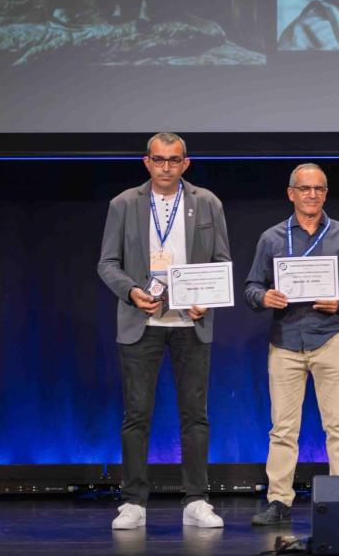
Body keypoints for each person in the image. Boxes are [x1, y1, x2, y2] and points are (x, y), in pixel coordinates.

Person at [96, 132, 229, 530]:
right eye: (159, 160)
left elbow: (221, 261)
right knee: (136, 415)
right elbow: (107, 263)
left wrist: (207, 297)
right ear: (147, 162)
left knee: (196, 416)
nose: (166, 167)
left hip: (192, 323)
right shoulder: (123, 204)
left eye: (174, 160)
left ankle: (196, 499)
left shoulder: (207, 202)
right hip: (142, 322)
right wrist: (132, 291)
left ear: (185, 163)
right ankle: (134, 501)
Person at [244, 163, 339, 526]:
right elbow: (251, 287)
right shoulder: (272, 237)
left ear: (326, 193)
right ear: (291, 193)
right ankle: (279, 501)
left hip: (331, 338)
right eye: (305, 188)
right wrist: (265, 299)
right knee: (282, 428)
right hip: (285, 342)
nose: (312, 194)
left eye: (319, 189)